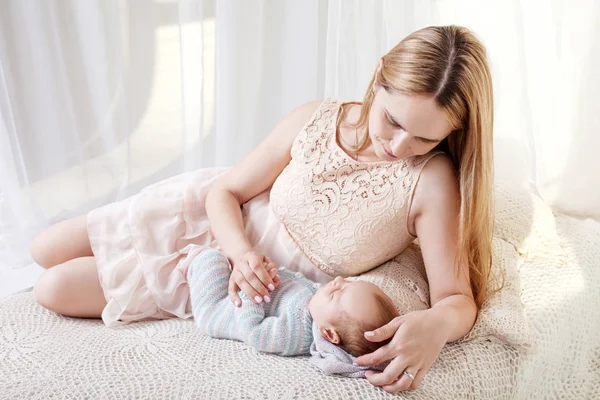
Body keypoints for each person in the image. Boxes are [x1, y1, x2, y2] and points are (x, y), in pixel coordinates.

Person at [30, 25, 495, 393]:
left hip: (236, 284)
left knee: (53, 289)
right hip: (219, 228)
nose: (398, 145)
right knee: (42, 248)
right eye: (392, 121)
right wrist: (239, 252)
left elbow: (457, 299)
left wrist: (435, 327)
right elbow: (226, 192)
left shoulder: (432, 181)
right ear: (378, 77)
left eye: (425, 137)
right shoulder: (318, 117)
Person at [186, 248, 398, 362]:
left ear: (329, 335)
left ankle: (186, 267)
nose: (337, 281)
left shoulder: (297, 335)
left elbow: (255, 333)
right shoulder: (320, 307)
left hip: (220, 310)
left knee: (210, 258)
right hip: (246, 287)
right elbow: (300, 286)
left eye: (337, 293)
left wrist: (253, 294)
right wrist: (267, 273)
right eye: (348, 283)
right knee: (225, 258)